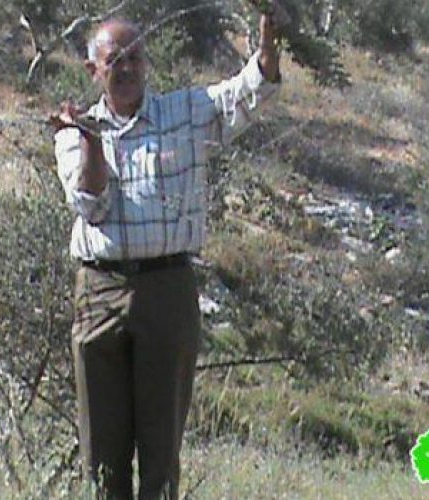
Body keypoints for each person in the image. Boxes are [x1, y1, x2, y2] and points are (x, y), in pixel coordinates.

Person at [49, 8, 281, 499]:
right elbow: (90, 205)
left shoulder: (186, 112)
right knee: (102, 456)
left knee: (160, 451)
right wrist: (92, 140)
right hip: (99, 292)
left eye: (136, 57)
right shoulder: (73, 130)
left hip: (167, 291)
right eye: (116, 60)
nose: (128, 67)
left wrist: (267, 42)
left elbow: (249, 91)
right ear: (94, 70)